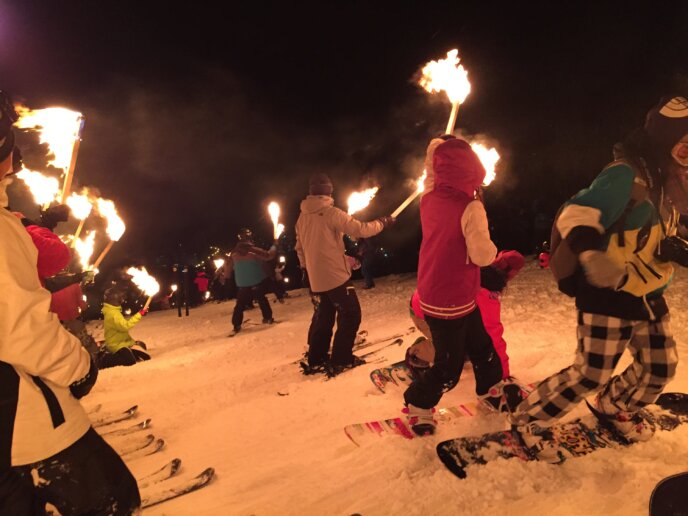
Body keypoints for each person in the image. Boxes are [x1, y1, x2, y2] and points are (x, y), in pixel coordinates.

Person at [510, 95, 688, 463]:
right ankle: (528, 421)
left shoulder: (673, 181)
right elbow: (575, 215)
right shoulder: (626, 175)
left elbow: (654, 229)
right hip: (606, 290)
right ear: (662, 138)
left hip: (648, 290)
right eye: (683, 140)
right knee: (591, 372)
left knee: (660, 368)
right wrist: (591, 254)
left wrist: (673, 248)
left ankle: (614, 405)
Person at [0, 92, 140, 514]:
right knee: (115, 497)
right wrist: (79, 367)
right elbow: (19, 329)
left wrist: (38, 226)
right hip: (20, 417)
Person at [402, 135, 502, 436]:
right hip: (452, 298)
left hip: (437, 292)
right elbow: (483, 256)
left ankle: (490, 390)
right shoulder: (471, 207)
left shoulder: (428, 197)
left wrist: (436, 146)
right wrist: (494, 249)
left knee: (482, 345)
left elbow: (431, 173)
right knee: (449, 367)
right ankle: (418, 404)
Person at [295, 173, 395, 376]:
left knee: (324, 316)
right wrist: (383, 223)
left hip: (317, 278)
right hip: (334, 275)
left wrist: (306, 269)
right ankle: (341, 358)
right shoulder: (331, 213)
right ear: (328, 191)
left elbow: (300, 248)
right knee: (350, 314)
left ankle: (317, 357)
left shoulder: (302, 217)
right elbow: (361, 229)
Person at [227, 228, 276, 334]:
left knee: (239, 304)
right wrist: (274, 246)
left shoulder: (233, 253)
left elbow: (228, 268)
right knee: (262, 299)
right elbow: (268, 256)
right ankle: (267, 317)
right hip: (255, 279)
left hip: (242, 283)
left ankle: (236, 324)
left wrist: (226, 277)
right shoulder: (253, 250)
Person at [100, 286, 151, 368]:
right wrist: (139, 314)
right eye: (120, 298)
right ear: (114, 299)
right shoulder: (113, 314)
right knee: (129, 360)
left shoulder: (114, 310)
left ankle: (130, 351)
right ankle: (105, 360)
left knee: (145, 355)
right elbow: (125, 326)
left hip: (125, 342)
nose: (122, 300)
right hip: (116, 345)